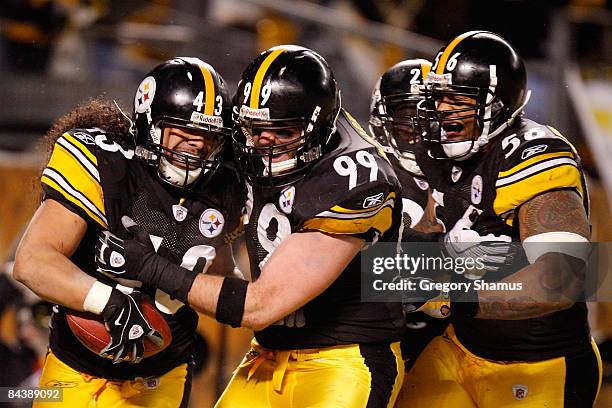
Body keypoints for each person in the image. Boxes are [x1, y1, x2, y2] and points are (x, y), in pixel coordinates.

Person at [98, 45, 406, 407]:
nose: (263, 142)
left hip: (344, 356)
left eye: (283, 132)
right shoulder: (245, 138)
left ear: (318, 130)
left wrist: (146, 264)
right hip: (268, 351)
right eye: (255, 128)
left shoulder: (357, 179)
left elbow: (261, 306)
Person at [13, 57, 244, 407]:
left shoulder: (225, 187)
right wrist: (109, 302)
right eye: (184, 131)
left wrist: (256, 299)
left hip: (163, 374)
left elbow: (217, 271)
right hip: (77, 372)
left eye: (208, 135)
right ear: (151, 125)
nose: (197, 145)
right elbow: (32, 262)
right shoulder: (105, 163)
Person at [396, 30, 602, 407]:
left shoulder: (533, 157)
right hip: (461, 346)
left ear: (499, 104)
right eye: (438, 98)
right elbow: (432, 224)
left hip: (539, 361)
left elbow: (562, 280)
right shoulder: (439, 151)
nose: (443, 110)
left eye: (457, 99)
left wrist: (451, 293)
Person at [369, 58, 450, 371]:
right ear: (383, 118)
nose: (421, 131)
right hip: (374, 340)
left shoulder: (467, 173)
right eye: (408, 118)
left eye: (431, 118)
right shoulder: (365, 172)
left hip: (453, 342)